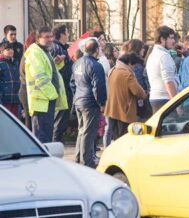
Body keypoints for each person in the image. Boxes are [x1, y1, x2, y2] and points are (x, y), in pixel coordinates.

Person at [24, 27, 68, 143]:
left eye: (51, 36)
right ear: (38, 39)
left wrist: (56, 63)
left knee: (46, 135)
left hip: (46, 100)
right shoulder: (35, 53)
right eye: (46, 37)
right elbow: (41, 78)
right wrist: (53, 94)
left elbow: (48, 72)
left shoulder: (43, 51)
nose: (50, 39)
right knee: (42, 138)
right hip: (41, 101)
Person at [72, 38, 107, 167]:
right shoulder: (96, 65)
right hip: (90, 102)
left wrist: (76, 97)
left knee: (81, 130)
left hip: (79, 100)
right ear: (96, 50)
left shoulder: (77, 63)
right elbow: (98, 86)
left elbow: (72, 83)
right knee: (88, 132)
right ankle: (86, 161)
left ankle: (78, 158)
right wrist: (102, 103)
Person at [104, 53, 147, 141]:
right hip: (124, 110)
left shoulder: (113, 70)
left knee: (114, 136)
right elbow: (138, 92)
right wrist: (145, 94)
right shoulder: (127, 74)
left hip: (112, 108)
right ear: (130, 63)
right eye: (134, 66)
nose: (134, 68)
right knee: (123, 137)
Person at [146, 26, 179, 113]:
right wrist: (176, 103)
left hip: (156, 97)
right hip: (165, 99)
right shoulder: (163, 56)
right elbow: (168, 81)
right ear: (162, 39)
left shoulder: (153, 54)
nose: (174, 41)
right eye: (171, 38)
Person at [50, 24, 73, 143]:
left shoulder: (61, 48)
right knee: (59, 120)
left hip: (64, 88)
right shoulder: (56, 48)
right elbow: (55, 71)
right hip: (61, 89)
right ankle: (54, 145)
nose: (68, 35)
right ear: (62, 34)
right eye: (67, 32)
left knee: (61, 120)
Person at [18, 31, 36, 129]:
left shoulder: (27, 54)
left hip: (26, 89)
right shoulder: (29, 56)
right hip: (27, 90)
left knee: (30, 118)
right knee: (30, 119)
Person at [0, 41, 20, 118]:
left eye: (11, 48)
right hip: (4, 99)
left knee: (15, 120)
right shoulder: (1, 63)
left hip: (15, 98)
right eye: (8, 49)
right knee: (5, 120)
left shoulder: (15, 62)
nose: (11, 51)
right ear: (2, 51)